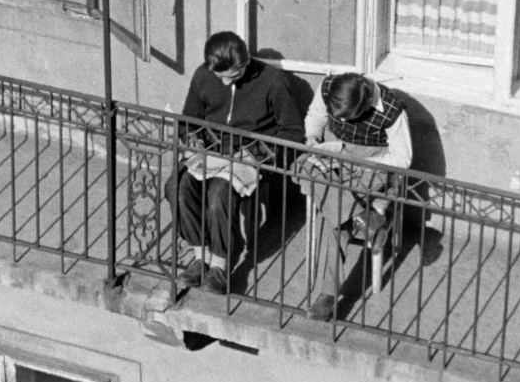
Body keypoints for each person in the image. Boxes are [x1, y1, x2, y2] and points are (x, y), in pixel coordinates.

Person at [167, 32, 305, 293]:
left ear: (247, 60)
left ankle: (219, 266)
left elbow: (292, 132)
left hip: (252, 154)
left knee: (219, 192)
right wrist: (194, 140)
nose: (227, 81)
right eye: (221, 77)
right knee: (177, 186)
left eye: (234, 74)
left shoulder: (272, 81)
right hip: (211, 150)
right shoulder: (204, 74)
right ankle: (200, 258)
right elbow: (189, 120)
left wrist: (256, 154)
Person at [294, 72, 412, 321]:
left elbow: (402, 159)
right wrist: (314, 140)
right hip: (333, 154)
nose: (340, 121)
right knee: (303, 165)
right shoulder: (328, 86)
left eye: (347, 117)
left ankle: (327, 294)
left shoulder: (391, 110)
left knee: (334, 216)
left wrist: (359, 161)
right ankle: (365, 218)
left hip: (372, 164)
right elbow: (316, 116)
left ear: (366, 104)